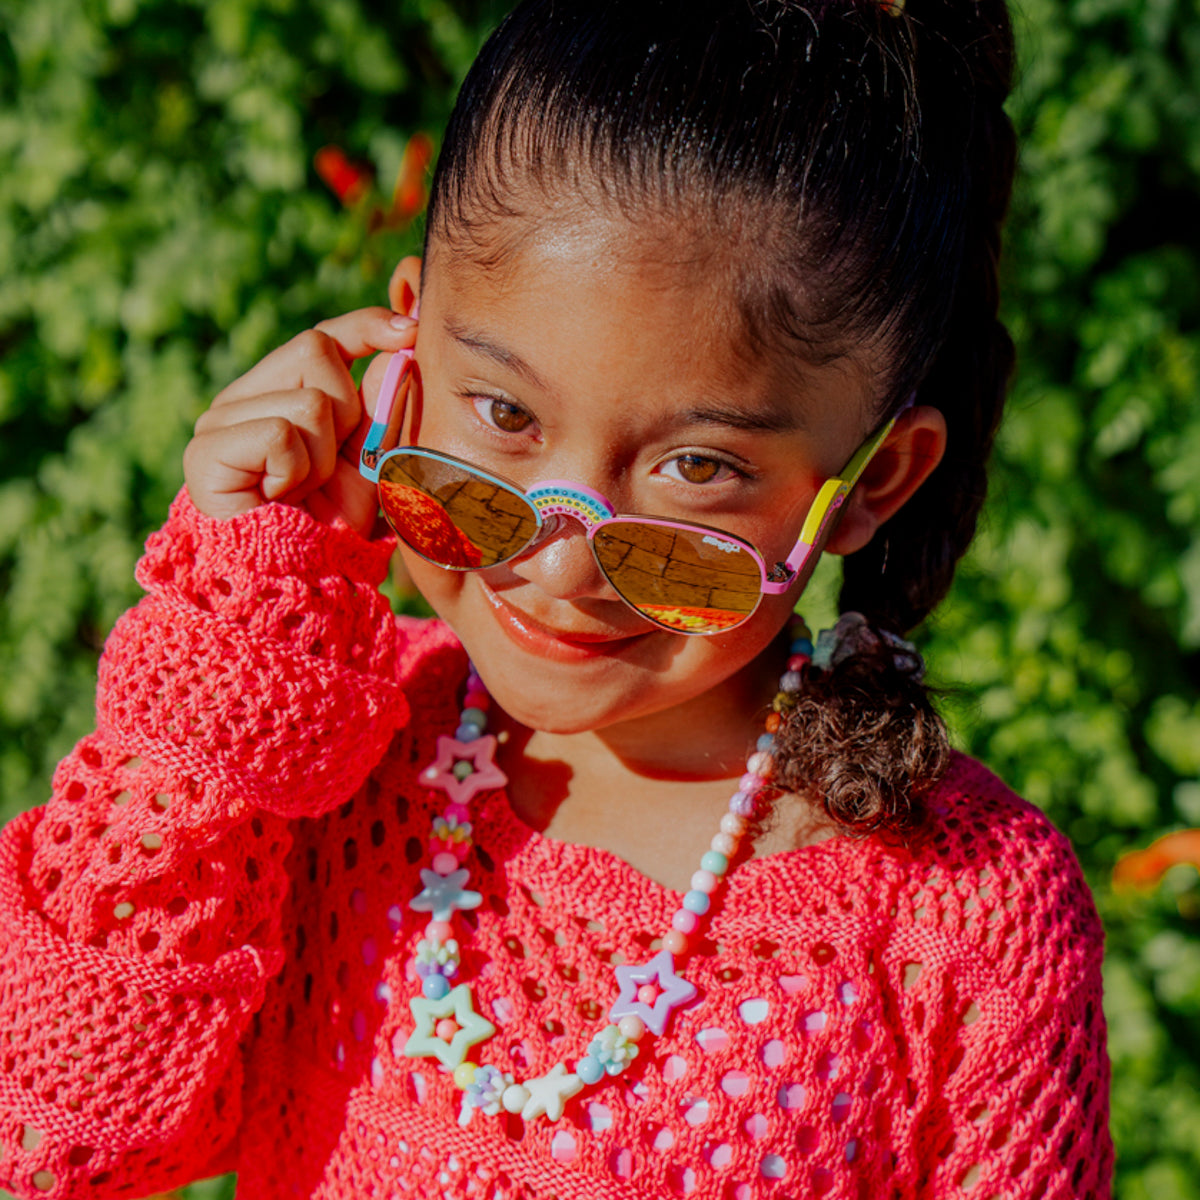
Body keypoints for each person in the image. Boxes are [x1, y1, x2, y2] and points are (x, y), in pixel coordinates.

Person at [0, 1, 1114, 1197]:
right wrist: (234, 627)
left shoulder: (967, 922)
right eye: (504, 413)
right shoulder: (326, 759)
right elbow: (55, 1140)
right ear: (405, 349)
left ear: (873, 480)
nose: (561, 565)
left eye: (698, 467)